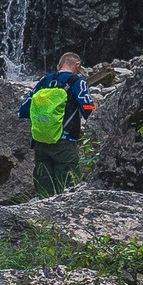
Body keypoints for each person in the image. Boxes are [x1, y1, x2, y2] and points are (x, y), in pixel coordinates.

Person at [23, 51, 95, 196]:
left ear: (58, 65)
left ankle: (41, 217)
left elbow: (24, 110)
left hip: (40, 141)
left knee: (44, 191)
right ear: (78, 65)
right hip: (64, 142)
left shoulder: (43, 81)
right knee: (70, 190)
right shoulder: (77, 82)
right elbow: (88, 109)